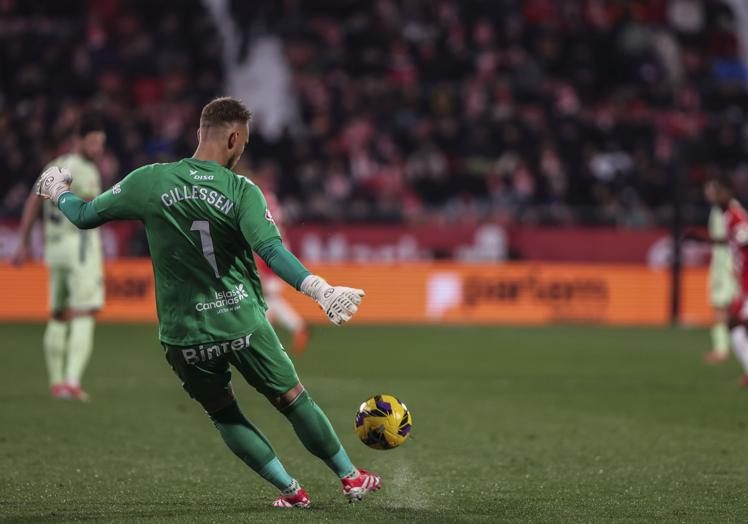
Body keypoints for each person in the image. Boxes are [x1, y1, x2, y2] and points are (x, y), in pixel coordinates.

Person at [34, 97, 379, 507]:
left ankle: (292, 491)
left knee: (224, 414)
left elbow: (86, 215)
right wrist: (319, 290)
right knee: (292, 399)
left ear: (200, 133)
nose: (243, 151)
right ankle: (350, 477)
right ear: (234, 138)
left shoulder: (150, 180)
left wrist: (58, 192)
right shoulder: (241, 190)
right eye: (245, 144)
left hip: (184, 335)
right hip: (241, 322)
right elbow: (270, 250)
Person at [12, 117, 107, 401]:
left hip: (54, 250)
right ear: (77, 141)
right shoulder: (86, 170)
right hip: (80, 251)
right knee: (85, 311)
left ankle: (55, 382)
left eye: (100, 143)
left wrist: (24, 242)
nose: (97, 148)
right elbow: (93, 210)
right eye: (92, 142)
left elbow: (32, 203)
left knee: (57, 314)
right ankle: (71, 383)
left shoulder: (54, 167)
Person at [696, 176, 748, 385]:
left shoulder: (736, 215)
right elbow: (733, 240)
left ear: (727, 193)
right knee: (734, 324)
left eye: (717, 192)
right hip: (743, 282)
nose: (713, 196)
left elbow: (743, 238)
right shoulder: (726, 216)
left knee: (736, 323)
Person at [256, 189, 310, 354]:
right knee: (270, 303)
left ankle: (294, 327)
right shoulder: (276, 228)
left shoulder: (264, 228)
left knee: (265, 301)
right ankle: (297, 327)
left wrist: (262, 277)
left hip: (270, 269)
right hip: (276, 265)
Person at [703, 180, 738, 364]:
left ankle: (722, 349)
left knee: (729, 308)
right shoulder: (717, 210)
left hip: (730, 264)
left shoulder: (733, 210)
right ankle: (721, 348)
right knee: (720, 306)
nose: (708, 195)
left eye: (711, 192)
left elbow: (736, 237)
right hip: (720, 264)